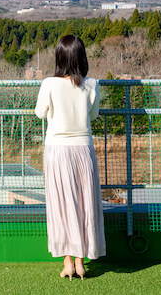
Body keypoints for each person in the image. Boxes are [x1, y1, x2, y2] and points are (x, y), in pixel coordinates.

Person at [34, 34, 105, 280]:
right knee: (85, 204)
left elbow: (39, 113)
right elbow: (94, 115)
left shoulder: (49, 84)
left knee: (62, 205)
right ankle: (81, 261)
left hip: (57, 149)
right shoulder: (92, 84)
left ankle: (67, 263)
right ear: (81, 58)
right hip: (83, 149)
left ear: (59, 57)